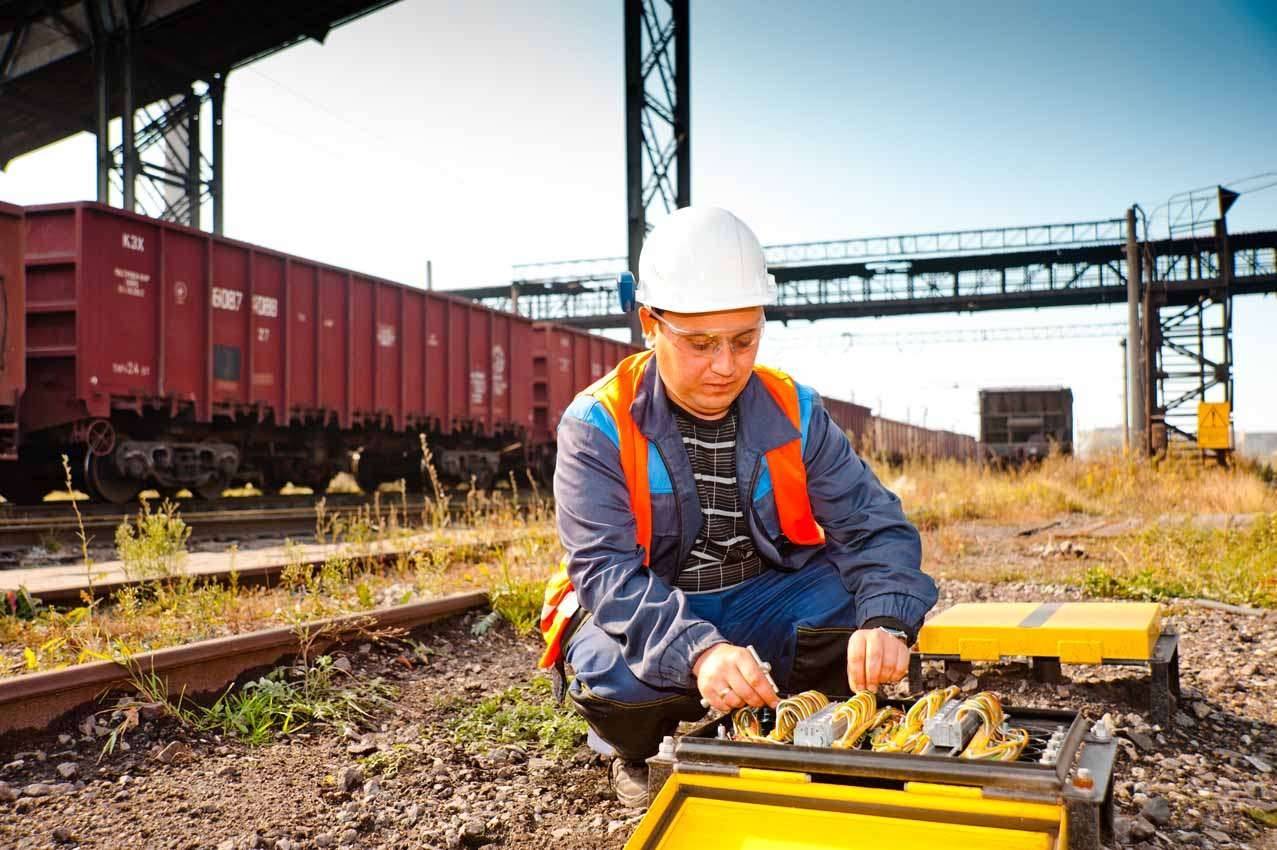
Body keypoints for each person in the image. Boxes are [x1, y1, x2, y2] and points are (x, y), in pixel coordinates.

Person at [537, 207, 937, 808]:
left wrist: (885, 620)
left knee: (858, 606)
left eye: (744, 339)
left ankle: (791, 711)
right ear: (650, 323)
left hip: (763, 595)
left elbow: (870, 523)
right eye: (700, 344)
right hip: (657, 602)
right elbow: (606, 573)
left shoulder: (795, 409)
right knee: (612, 675)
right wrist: (698, 651)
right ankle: (641, 751)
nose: (725, 365)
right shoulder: (597, 424)